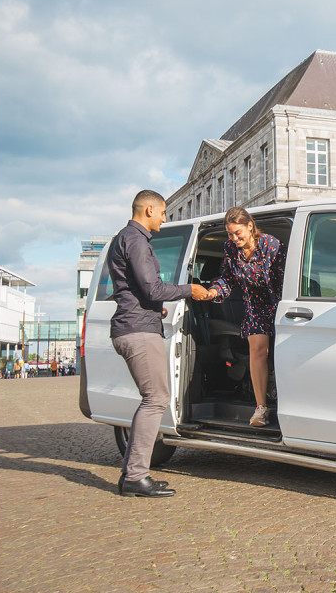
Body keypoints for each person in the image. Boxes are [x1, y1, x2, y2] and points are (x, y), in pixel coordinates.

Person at [108, 189, 209, 498]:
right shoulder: (136, 240)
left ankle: (132, 474)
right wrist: (190, 290)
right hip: (138, 331)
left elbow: (136, 290)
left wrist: (156, 307)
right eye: (164, 213)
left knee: (153, 397)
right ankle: (136, 476)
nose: (165, 219)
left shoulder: (123, 238)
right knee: (156, 399)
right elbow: (152, 288)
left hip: (136, 323)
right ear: (149, 210)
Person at [206, 207, 286, 427]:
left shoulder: (271, 245)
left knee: (283, 352)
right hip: (256, 306)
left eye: (237, 233)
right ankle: (261, 408)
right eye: (230, 234)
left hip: (278, 303)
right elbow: (227, 279)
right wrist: (214, 291)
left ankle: (287, 403)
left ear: (250, 226)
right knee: (258, 351)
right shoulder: (230, 249)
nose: (234, 238)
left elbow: (284, 276)